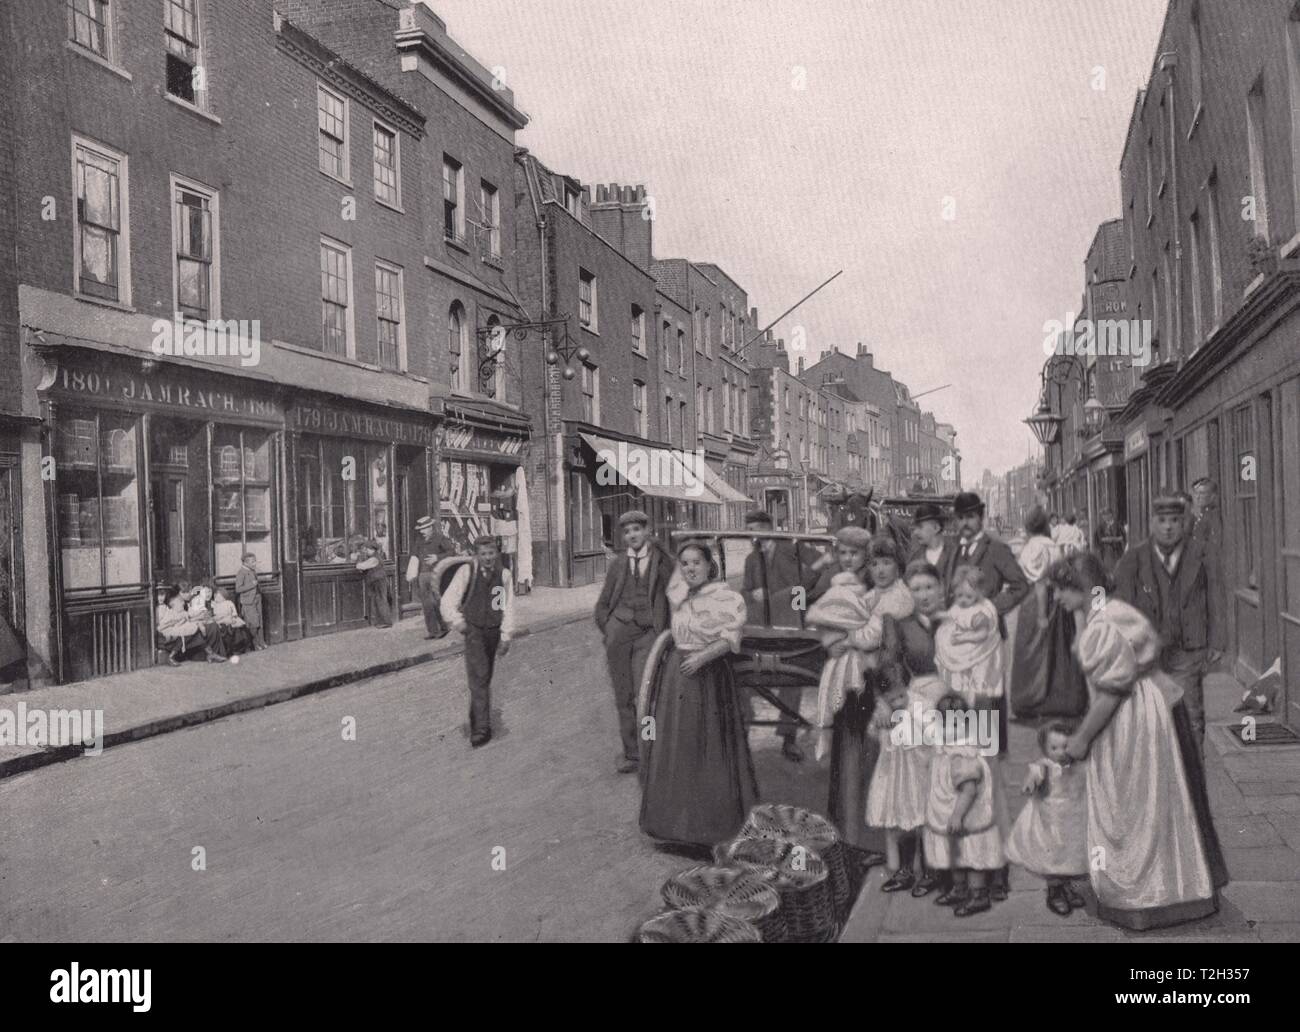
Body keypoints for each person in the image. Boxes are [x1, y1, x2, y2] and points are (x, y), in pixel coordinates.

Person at [1050, 551, 1228, 929]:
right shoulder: (1107, 611)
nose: (1056, 598)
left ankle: (1145, 899)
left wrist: (1081, 739)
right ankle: (1178, 890)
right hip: (1151, 707)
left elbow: (1111, 692)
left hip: (1135, 718)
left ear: (1083, 588)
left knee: (1136, 806)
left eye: (1063, 590)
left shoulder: (1104, 624)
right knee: (1158, 803)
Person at [639, 540, 755, 850]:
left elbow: (731, 637)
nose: (690, 568)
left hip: (709, 676)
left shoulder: (724, 597)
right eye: (686, 563)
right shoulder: (680, 597)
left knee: (708, 747)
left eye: (696, 563)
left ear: (709, 566)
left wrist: (704, 657)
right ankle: (676, 828)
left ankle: (711, 831)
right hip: (678, 677)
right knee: (680, 745)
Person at [823, 535, 913, 862]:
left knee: (880, 766)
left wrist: (844, 637)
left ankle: (878, 844)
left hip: (885, 686)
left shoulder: (898, 599)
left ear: (898, 566)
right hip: (862, 682)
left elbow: (874, 640)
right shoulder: (873, 595)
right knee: (854, 757)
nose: (880, 569)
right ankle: (853, 836)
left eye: (887, 562)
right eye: (874, 563)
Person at [1112, 492, 1225, 745]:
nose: (1168, 527)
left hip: (1188, 648)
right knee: (1152, 716)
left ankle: (1193, 778)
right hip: (1149, 653)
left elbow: (1216, 596)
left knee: (1191, 715)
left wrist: (1218, 640)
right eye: (1162, 520)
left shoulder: (1202, 553)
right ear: (1152, 523)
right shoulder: (1135, 558)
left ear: (1184, 522)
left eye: (1174, 520)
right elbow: (1117, 599)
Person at [879, 560, 950, 898]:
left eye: (929, 587)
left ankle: (937, 870)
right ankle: (908, 867)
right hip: (912, 706)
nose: (923, 595)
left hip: (951, 706)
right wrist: (896, 701)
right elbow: (890, 663)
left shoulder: (955, 620)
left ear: (941, 588)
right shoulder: (899, 624)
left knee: (941, 788)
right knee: (907, 789)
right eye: (916, 589)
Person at [740, 508, 832, 762]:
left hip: (791, 621)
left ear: (769, 528)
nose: (752, 537)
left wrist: (803, 593)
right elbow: (746, 591)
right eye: (748, 532)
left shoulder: (792, 547)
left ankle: (789, 739)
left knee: (793, 678)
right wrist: (752, 594)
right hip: (761, 624)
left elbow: (824, 563)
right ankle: (741, 733)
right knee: (744, 672)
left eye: (756, 531)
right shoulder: (750, 560)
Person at [593, 510, 673, 773]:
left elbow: (677, 593)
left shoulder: (662, 560)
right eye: (627, 532)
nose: (632, 535)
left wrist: (666, 631)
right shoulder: (617, 564)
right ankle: (633, 754)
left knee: (646, 693)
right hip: (619, 634)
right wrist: (609, 629)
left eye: (637, 529)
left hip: (648, 633)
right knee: (622, 695)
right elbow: (603, 602)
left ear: (647, 530)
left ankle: (652, 751)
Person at [924, 692, 1004, 917]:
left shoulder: (963, 756)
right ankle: (959, 889)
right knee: (956, 856)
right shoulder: (948, 749)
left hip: (967, 818)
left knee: (971, 858)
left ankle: (978, 895)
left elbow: (969, 790)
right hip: (953, 817)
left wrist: (957, 815)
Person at [1009, 505, 1086, 719]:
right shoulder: (1052, 545)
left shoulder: (1033, 547)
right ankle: (1057, 698)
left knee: (1031, 651)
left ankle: (1029, 699)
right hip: (1058, 601)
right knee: (1056, 649)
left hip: (1036, 601)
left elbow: (1040, 582)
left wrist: (1041, 615)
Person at [807, 526, 877, 762]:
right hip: (839, 651)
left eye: (854, 553)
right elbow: (810, 598)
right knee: (840, 706)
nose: (848, 559)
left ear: (865, 554)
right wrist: (828, 641)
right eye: (843, 553)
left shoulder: (872, 577)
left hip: (867, 650)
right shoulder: (830, 575)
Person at [1005, 720, 1088, 917]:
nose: (1060, 752)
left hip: (1071, 817)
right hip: (1050, 819)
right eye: (1054, 747)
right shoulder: (1044, 766)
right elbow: (1034, 777)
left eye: (1065, 746)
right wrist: (1030, 784)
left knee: (1069, 853)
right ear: (1044, 749)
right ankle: (1055, 891)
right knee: (1053, 855)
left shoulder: (1076, 764)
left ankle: (1066, 886)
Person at [440, 535, 515, 748]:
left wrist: (505, 635)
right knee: (479, 677)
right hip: (473, 631)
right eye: (483, 554)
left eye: (491, 553)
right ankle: (482, 729)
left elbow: (504, 606)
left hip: (492, 632)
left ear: (497, 554)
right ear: (477, 555)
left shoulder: (504, 575)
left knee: (483, 677)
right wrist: (458, 622)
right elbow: (448, 601)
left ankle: (477, 719)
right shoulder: (467, 572)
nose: (488, 558)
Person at [866, 676, 933, 893]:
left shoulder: (920, 705)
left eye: (901, 695)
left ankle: (930, 873)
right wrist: (878, 723)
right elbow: (874, 734)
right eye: (892, 699)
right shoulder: (883, 710)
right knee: (901, 820)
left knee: (923, 821)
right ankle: (906, 871)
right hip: (895, 774)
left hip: (919, 772)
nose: (898, 701)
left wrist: (903, 718)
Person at [408, 516, 457, 640]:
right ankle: (433, 631)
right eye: (421, 529)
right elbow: (414, 556)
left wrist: (437, 557)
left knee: (437, 602)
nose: (422, 531)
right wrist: (412, 572)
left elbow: (451, 552)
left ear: (430, 527)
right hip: (422, 575)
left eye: (424, 528)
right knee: (427, 604)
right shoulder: (419, 541)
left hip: (437, 573)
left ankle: (444, 627)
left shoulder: (440, 538)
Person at [156, 586, 226, 664]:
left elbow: (190, 614)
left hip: (180, 630)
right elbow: (162, 625)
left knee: (193, 633)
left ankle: (210, 654)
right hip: (169, 632)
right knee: (189, 634)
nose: (182, 604)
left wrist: (200, 614)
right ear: (174, 605)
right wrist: (177, 621)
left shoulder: (181, 612)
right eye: (180, 603)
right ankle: (171, 657)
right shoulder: (170, 613)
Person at [906, 502, 955, 573]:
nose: (915, 532)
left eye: (920, 527)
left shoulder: (955, 554)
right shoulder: (915, 557)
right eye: (915, 528)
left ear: (936, 528)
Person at [357, 542, 395, 628]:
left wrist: (359, 560)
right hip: (377, 581)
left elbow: (360, 566)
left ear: (372, 550)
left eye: (367, 549)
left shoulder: (374, 559)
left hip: (378, 581)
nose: (366, 551)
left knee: (381, 601)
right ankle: (381, 622)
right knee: (379, 601)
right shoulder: (375, 557)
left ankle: (386, 622)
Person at [234, 553, 266, 650]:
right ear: (245, 563)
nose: (255, 563)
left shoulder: (252, 571)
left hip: (257, 598)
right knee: (253, 623)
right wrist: (252, 585)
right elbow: (238, 589)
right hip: (248, 602)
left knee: (259, 622)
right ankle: (255, 644)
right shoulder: (241, 573)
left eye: (255, 561)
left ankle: (262, 642)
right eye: (252, 562)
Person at [212, 585, 255, 656]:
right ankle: (230, 649)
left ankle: (242, 646)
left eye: (220, 596)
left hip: (231, 617)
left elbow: (234, 611)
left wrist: (233, 616)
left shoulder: (229, 603)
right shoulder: (216, 605)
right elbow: (215, 615)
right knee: (226, 629)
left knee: (239, 628)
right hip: (222, 619)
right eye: (217, 597)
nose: (218, 598)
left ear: (224, 596)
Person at [1190, 478, 1222, 559]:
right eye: (1196, 493)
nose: (1197, 497)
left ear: (1212, 496)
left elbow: (1215, 543)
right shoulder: (1202, 515)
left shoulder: (1212, 516)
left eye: (1202, 493)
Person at [1093, 507, 1126, 573]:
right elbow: (1099, 538)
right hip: (1106, 551)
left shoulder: (1118, 525)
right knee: (1108, 569)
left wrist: (1113, 539)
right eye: (1103, 515)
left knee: (1117, 568)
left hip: (1117, 551)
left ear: (1111, 515)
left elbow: (1123, 537)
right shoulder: (1101, 526)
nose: (1104, 517)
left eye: (1105, 515)